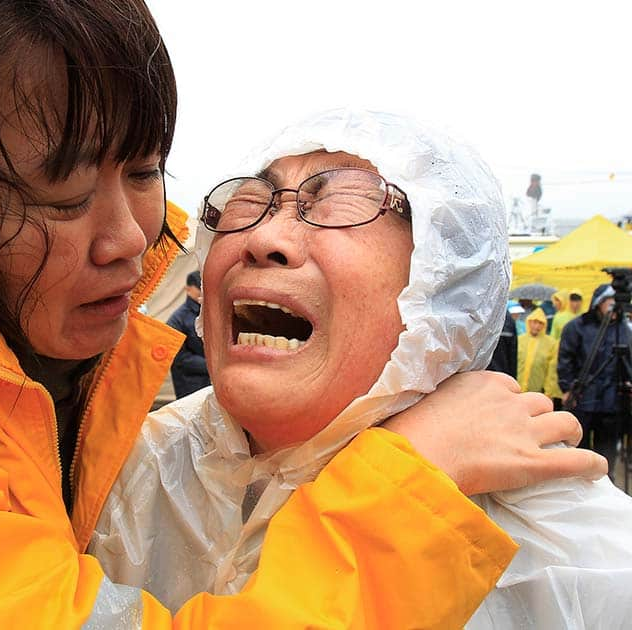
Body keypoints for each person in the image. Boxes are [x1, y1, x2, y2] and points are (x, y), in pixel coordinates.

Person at [0, 6, 604, 627]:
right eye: (57, 195)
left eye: (144, 169)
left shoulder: (572, 546)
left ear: (449, 291)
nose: (134, 240)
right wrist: (411, 497)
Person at [91, 110, 626, 629]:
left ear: (442, 282)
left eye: (338, 202)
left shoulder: (574, 549)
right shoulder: (111, 466)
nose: (262, 238)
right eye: (249, 203)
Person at [558, 283, 625, 477]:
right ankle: (581, 481)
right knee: (581, 448)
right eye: (610, 302)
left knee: (607, 452)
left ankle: (607, 481)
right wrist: (567, 387)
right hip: (583, 397)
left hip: (611, 402)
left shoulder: (622, 329)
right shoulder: (577, 327)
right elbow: (566, 360)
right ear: (599, 303)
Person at [165, 270, 211, 398]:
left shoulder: (209, 312)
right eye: (199, 288)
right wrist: (211, 365)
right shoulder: (178, 319)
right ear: (188, 289)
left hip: (210, 383)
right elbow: (179, 358)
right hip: (189, 384)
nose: (203, 292)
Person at [516, 308, 562, 399]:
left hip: (537, 393)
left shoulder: (551, 343)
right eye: (534, 322)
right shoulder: (519, 340)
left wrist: (548, 392)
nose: (537, 326)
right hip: (516, 389)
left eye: (540, 323)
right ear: (528, 322)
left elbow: (552, 370)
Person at [487, 308, 519, 377]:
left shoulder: (473, 314)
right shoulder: (508, 319)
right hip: (501, 375)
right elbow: (512, 356)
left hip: (475, 377)